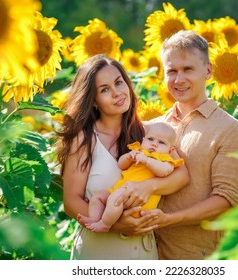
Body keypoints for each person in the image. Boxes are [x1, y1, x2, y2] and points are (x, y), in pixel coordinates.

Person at [118, 30, 238, 259]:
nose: (179, 79)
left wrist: (169, 220)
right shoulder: (150, 128)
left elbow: (226, 200)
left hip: (201, 256)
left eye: (188, 69)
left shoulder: (229, 129)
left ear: (208, 71)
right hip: (144, 254)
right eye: (172, 71)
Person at [56, 54, 188, 260]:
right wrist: (116, 225)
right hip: (98, 250)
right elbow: (71, 202)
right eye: (104, 90)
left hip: (142, 251)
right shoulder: (84, 138)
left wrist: (149, 187)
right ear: (93, 101)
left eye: (119, 83)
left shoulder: (149, 134)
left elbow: (181, 176)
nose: (117, 93)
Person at [81, 122, 184, 233]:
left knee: (116, 198)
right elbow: (121, 165)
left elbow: (164, 171)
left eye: (161, 142)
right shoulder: (138, 152)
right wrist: (128, 157)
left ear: (171, 150)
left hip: (139, 201)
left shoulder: (165, 159)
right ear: (143, 140)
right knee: (99, 196)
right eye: (150, 139)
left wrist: (147, 161)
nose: (154, 144)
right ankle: (94, 219)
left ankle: (105, 224)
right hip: (119, 192)